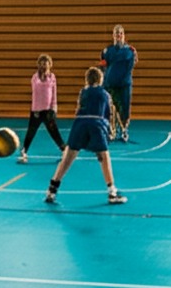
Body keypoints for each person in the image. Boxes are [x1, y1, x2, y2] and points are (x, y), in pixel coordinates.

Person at [45, 67, 127, 205]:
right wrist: (110, 132)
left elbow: (78, 110)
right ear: (100, 80)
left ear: (87, 80)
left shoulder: (83, 92)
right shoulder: (105, 94)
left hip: (80, 123)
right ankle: (112, 192)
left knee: (67, 158)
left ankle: (52, 191)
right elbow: (108, 115)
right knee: (104, 157)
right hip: (97, 123)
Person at [18, 54, 65, 163]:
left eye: (46, 63)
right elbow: (36, 90)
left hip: (48, 110)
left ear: (50, 65)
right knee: (31, 131)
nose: (44, 66)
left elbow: (54, 94)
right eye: (42, 64)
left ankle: (64, 150)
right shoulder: (35, 77)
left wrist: (54, 108)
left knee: (54, 132)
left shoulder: (52, 77)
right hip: (37, 111)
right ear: (38, 65)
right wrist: (35, 110)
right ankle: (24, 152)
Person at [99, 24, 137, 142]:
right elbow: (103, 67)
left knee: (124, 109)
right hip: (109, 85)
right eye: (116, 33)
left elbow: (131, 66)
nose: (119, 35)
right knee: (110, 109)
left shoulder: (129, 51)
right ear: (113, 35)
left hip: (124, 85)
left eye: (121, 33)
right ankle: (111, 131)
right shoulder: (107, 51)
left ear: (124, 35)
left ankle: (124, 130)